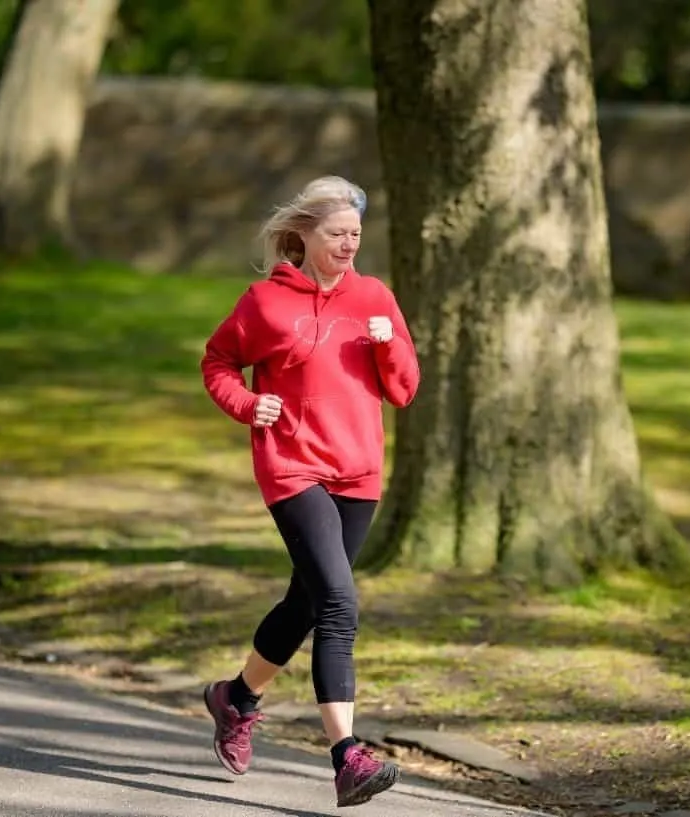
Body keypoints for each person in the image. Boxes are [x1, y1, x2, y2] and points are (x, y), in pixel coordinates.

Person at [198, 175, 420, 808]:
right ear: (303, 234)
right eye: (336, 234)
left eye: (355, 233)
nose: (348, 244)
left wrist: (389, 344)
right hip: (292, 467)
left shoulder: (375, 297)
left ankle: (236, 697)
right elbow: (217, 360)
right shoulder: (265, 303)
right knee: (339, 604)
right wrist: (246, 402)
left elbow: (403, 390)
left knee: (306, 601)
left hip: (359, 471)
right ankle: (347, 755)